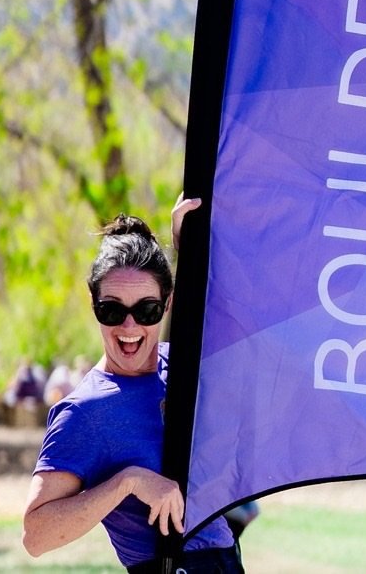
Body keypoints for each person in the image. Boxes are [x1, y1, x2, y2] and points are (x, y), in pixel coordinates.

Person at [22, 200, 244, 572]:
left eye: (146, 310)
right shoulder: (86, 410)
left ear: (168, 303)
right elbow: (35, 535)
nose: (128, 327)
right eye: (112, 310)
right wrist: (127, 482)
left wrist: (183, 245)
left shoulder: (186, 365)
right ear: (93, 305)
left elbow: (233, 317)